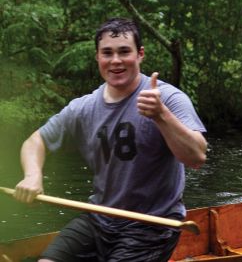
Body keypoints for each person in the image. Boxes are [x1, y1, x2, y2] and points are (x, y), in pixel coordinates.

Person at [13, 17, 207, 261]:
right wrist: (32, 176)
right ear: (97, 57)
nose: (115, 61)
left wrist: (161, 116)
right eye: (107, 53)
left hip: (152, 226)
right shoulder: (83, 108)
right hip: (100, 218)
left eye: (124, 51)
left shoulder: (168, 99)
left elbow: (197, 157)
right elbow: (35, 141)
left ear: (140, 54)